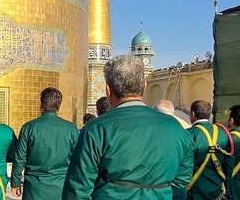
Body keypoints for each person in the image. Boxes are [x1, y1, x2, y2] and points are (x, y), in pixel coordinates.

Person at [62, 55, 192, 199]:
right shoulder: (175, 127)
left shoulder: (96, 129)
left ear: (108, 90)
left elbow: (78, 189)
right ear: (144, 86)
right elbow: (182, 179)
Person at [11, 87, 79, 200]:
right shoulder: (71, 128)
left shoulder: (29, 127)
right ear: (59, 105)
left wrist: (15, 182)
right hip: (61, 187)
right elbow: (78, 159)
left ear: (41, 104)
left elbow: (19, 158)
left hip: (34, 188)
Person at [187, 100, 231, 200]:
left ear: (192, 113)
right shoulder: (223, 133)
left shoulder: (188, 134)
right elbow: (229, 162)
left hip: (194, 189)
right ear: (209, 114)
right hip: (217, 189)